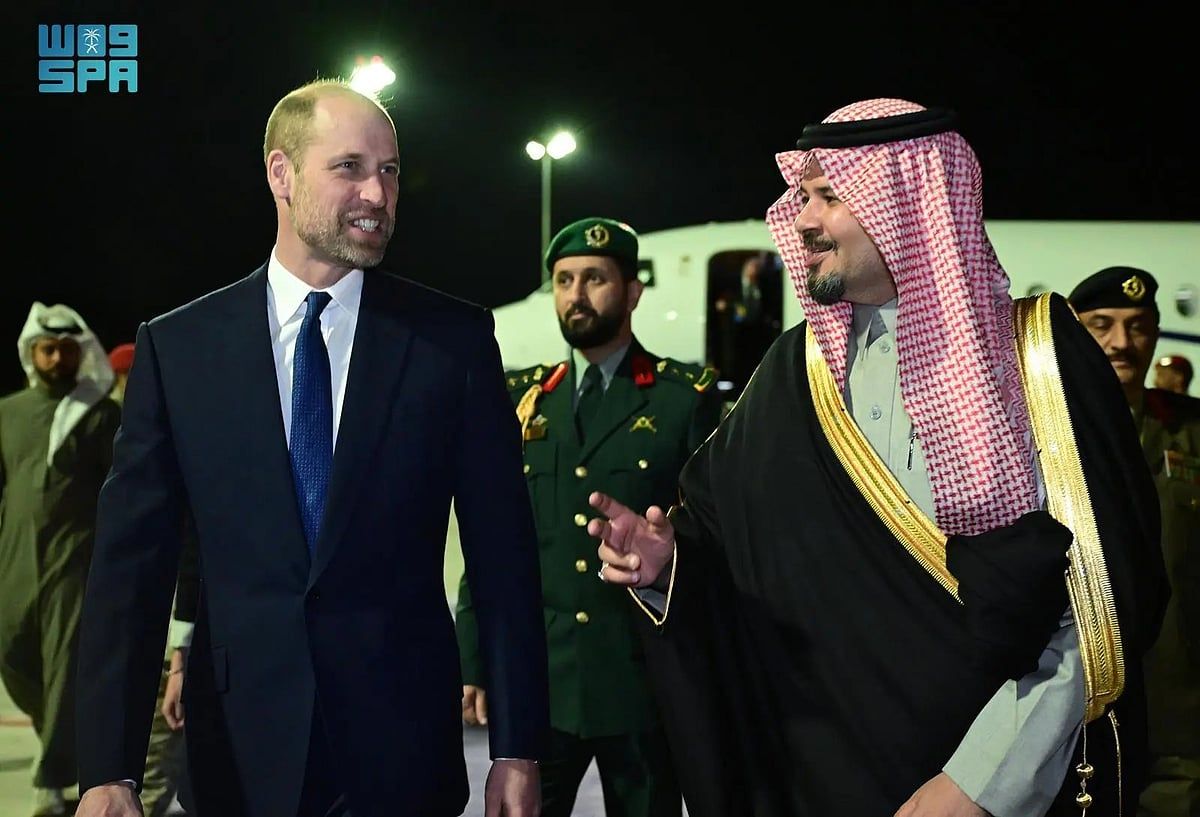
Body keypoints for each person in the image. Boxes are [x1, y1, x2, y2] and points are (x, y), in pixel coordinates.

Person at [587, 99, 1167, 817]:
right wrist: (667, 562)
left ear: (909, 204)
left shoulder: (1039, 360)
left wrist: (984, 782)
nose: (801, 219)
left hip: (996, 787)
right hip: (821, 784)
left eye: (829, 195)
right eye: (801, 195)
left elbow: (1101, 597)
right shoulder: (794, 373)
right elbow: (727, 552)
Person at [73, 78, 548, 817]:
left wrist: (517, 748)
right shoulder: (182, 349)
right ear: (281, 174)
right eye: (349, 167)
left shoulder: (451, 342)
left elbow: (503, 558)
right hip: (239, 754)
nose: (377, 194)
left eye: (389, 171)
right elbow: (129, 573)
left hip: (403, 755)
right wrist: (110, 769)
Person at [455, 217, 721, 817]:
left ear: (633, 292)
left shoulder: (682, 400)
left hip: (641, 687)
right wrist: (474, 656)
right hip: (544, 686)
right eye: (564, 280)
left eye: (595, 279)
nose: (576, 295)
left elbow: (714, 537)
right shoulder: (524, 401)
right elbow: (493, 544)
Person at [1069, 268, 1200, 817]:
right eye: (1102, 325)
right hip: (1077, 679)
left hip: (1180, 688)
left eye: (1138, 326)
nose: (1122, 342)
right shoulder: (1042, 427)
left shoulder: (1190, 429)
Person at [0, 303, 120, 817]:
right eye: (47, 350)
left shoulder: (100, 414)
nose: (56, 359)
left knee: (64, 667)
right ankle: (55, 736)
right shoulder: (9, 412)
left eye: (66, 350)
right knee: (12, 654)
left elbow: (119, 491)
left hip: (74, 558)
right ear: (31, 353)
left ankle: (51, 779)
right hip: (14, 558)